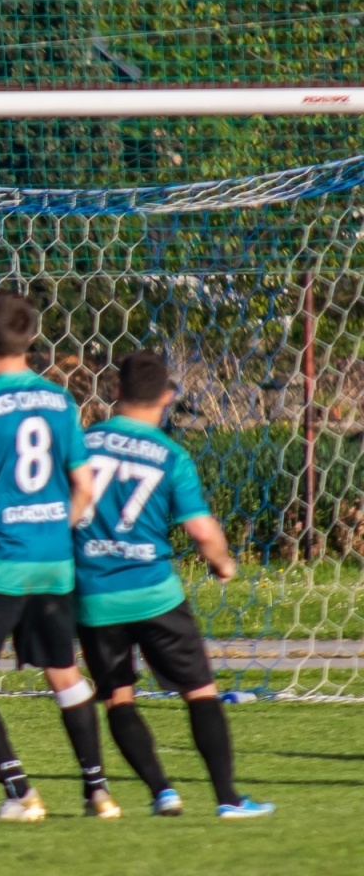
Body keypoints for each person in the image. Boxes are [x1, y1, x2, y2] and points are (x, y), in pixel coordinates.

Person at [74, 351, 274, 819]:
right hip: (154, 593)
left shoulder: (81, 444)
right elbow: (202, 531)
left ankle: (162, 791)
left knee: (118, 697)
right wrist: (222, 563)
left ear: (115, 392)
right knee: (200, 692)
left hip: (95, 596)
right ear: (166, 397)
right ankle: (227, 799)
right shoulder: (171, 456)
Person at [0, 289, 112, 822]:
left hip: (2, 560)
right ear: (32, 339)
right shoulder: (61, 402)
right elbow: (85, 485)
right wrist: (58, 525)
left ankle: (21, 794)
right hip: (55, 560)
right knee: (63, 671)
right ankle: (99, 793)